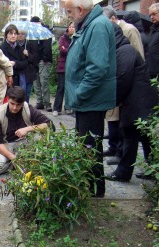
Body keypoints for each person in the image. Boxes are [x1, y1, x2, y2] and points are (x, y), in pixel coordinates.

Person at [64, 0, 116, 198]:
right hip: (87, 100)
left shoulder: (98, 26)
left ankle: (94, 190)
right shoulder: (89, 24)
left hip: (91, 100)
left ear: (80, 9)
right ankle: (89, 186)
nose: (68, 16)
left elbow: (97, 68)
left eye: (69, 11)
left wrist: (79, 93)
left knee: (90, 146)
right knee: (86, 145)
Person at [105, 24, 158, 182]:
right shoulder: (123, 49)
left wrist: (115, 100)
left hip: (137, 101)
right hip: (139, 100)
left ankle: (124, 173)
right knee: (142, 137)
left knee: (130, 135)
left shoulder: (124, 50)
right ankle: (151, 169)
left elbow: (123, 77)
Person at [102, 5, 145, 166]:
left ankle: (124, 163)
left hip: (133, 92)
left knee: (129, 130)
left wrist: (116, 97)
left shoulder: (127, 40)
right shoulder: (119, 45)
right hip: (127, 90)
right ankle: (117, 152)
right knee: (121, 125)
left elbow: (126, 72)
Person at [0, 86, 52, 175]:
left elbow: (49, 125)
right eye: (12, 103)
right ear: (7, 99)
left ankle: (19, 163)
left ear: (23, 102)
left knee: (45, 147)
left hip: (25, 143)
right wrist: (13, 158)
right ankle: (20, 162)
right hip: (5, 144)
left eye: (18, 105)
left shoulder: (28, 109)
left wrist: (29, 128)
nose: (14, 107)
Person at [30, 16, 53, 112]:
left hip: (44, 60)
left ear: (39, 22)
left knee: (44, 81)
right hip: (34, 60)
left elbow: (47, 46)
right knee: (36, 82)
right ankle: (39, 102)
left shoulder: (45, 31)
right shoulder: (31, 32)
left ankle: (47, 103)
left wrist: (45, 58)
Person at [52, 22, 75, 117]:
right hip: (62, 67)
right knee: (61, 87)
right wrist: (70, 49)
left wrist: (67, 49)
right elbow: (62, 50)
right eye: (70, 26)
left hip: (73, 67)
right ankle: (56, 108)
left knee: (70, 88)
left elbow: (76, 51)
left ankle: (69, 107)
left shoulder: (76, 38)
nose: (71, 28)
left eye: (73, 27)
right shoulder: (63, 38)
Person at [0, 25, 28, 91]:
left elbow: (25, 63)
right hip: (5, 80)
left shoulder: (20, 48)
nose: (13, 36)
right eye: (11, 33)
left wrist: (15, 63)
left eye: (15, 34)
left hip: (18, 80)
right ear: (6, 35)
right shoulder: (1, 48)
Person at [17, 29, 39, 103]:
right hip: (19, 71)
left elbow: (35, 58)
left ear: (25, 35)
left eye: (22, 34)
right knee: (18, 92)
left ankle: (26, 106)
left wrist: (28, 54)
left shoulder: (29, 44)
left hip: (29, 72)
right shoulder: (15, 45)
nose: (20, 35)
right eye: (19, 34)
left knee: (27, 93)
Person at [148, 3, 159, 81]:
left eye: (154, 14)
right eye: (150, 15)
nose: (151, 17)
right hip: (152, 72)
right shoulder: (152, 29)